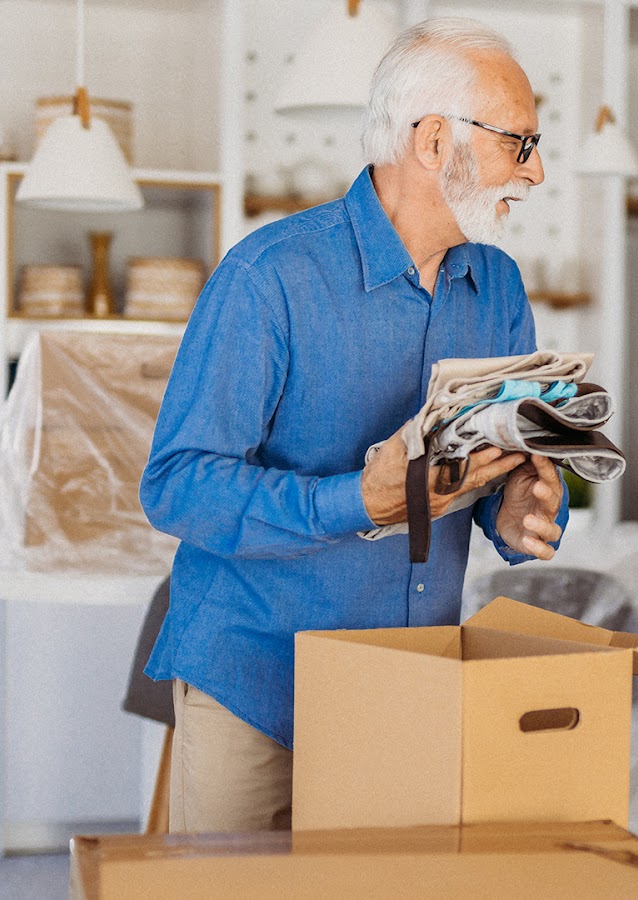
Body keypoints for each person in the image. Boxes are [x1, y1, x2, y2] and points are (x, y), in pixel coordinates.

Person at [139, 18, 567, 833]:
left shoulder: (500, 286)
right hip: (256, 680)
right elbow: (176, 485)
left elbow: (494, 467)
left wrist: (515, 510)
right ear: (436, 141)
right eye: (521, 142)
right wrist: (357, 502)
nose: (536, 171)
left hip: (404, 684)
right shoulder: (270, 276)